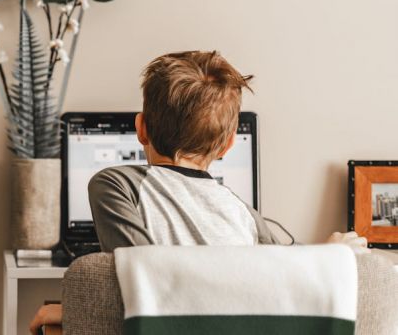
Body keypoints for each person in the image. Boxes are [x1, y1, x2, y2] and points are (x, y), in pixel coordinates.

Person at [29, 51, 368, 335]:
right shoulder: (243, 213)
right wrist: (329, 254)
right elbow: (289, 277)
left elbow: (140, 272)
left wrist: (72, 308)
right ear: (229, 143)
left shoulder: (116, 185)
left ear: (141, 128)